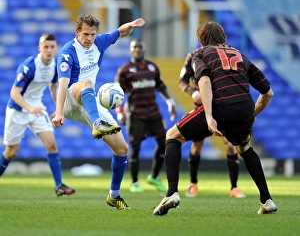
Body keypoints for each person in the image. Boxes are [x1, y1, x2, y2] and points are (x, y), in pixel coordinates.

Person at [153, 21, 277, 216]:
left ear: (201, 39)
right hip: (244, 107)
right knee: (244, 148)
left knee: (173, 136)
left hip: (219, 107)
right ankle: (267, 200)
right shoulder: (239, 54)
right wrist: (251, 116)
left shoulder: (200, 54)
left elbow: (203, 80)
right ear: (223, 37)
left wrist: (210, 117)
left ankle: (172, 193)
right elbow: (268, 93)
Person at [51, 14, 145, 210]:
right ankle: (97, 124)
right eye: (85, 34)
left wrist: (131, 25)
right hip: (71, 100)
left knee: (122, 149)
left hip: (90, 103)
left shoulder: (99, 42)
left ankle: (114, 195)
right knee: (86, 83)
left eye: (93, 34)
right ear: (77, 32)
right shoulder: (68, 52)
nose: (89, 38)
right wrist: (58, 112)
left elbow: (120, 32)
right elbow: (63, 84)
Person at [0, 33, 75, 197]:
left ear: (56, 49)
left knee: (51, 144)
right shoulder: (29, 66)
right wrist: (29, 108)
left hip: (37, 109)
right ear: (39, 48)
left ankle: (59, 185)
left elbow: (54, 87)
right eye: (45, 47)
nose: (49, 50)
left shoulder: (55, 65)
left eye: (52, 47)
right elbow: (14, 93)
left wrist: (58, 107)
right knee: (11, 152)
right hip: (18, 110)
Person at [179, 49, 245, 198]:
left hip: (222, 106)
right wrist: (192, 92)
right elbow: (182, 81)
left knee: (229, 144)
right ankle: (193, 184)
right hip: (202, 108)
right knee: (197, 146)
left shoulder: (223, 54)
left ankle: (234, 188)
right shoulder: (192, 55)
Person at [115, 39, 177, 193]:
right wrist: (120, 112)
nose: (137, 49)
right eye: (134, 47)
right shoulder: (124, 70)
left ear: (145, 49)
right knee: (135, 149)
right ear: (130, 50)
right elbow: (117, 94)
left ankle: (154, 177)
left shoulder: (152, 67)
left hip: (153, 113)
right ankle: (134, 183)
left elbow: (161, 87)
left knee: (165, 141)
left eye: (140, 47)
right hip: (135, 115)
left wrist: (170, 101)